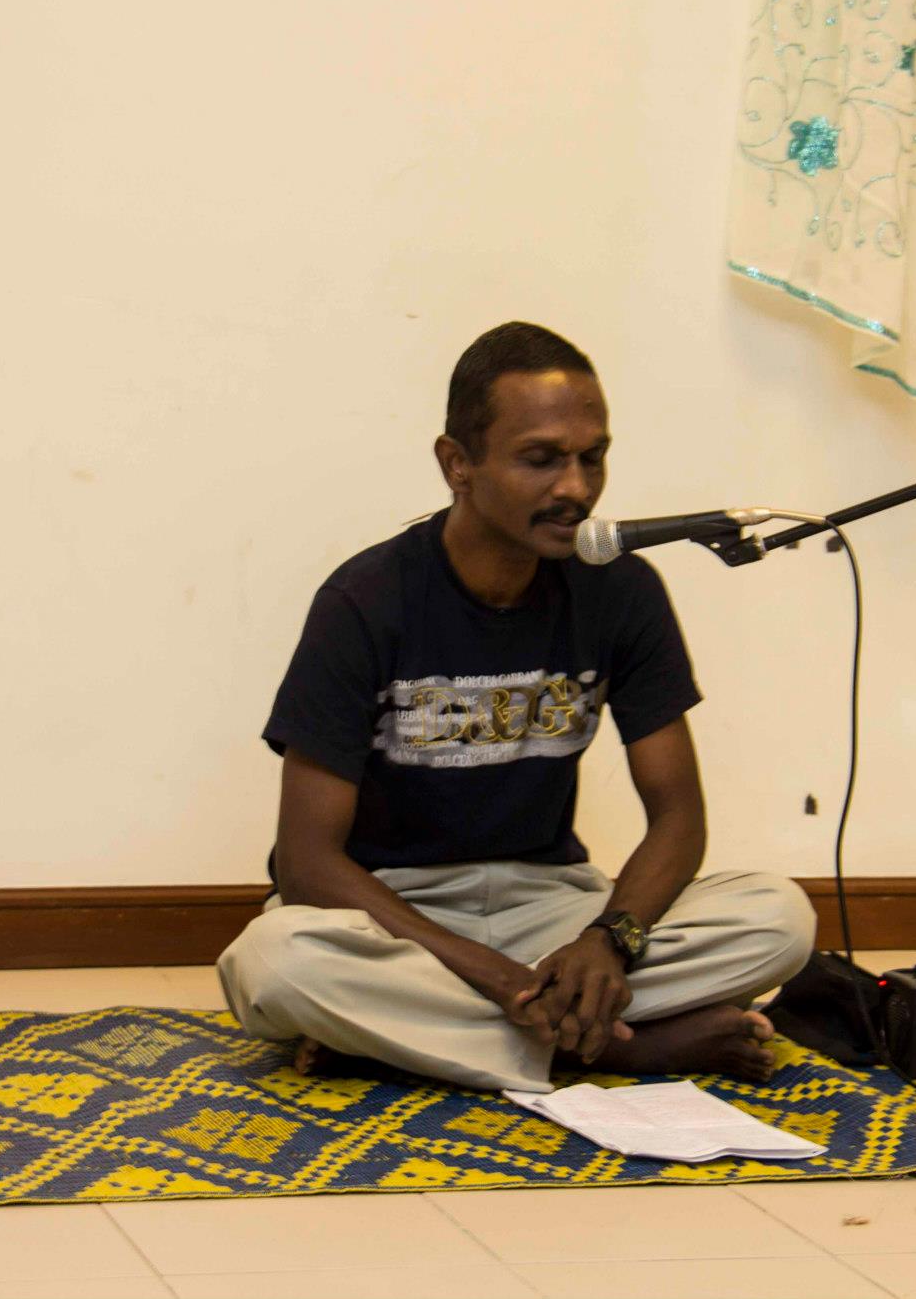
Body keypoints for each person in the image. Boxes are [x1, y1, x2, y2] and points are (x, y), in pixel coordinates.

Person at [216, 322, 815, 1092]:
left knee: (778, 917)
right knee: (277, 965)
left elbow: (678, 819)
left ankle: (410, 1039)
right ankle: (616, 1048)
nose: (576, 489)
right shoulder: (365, 601)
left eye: (592, 457)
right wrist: (496, 976)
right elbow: (307, 864)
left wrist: (610, 941)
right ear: (457, 464)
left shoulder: (622, 592)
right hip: (393, 916)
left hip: (551, 908)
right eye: (541, 459)